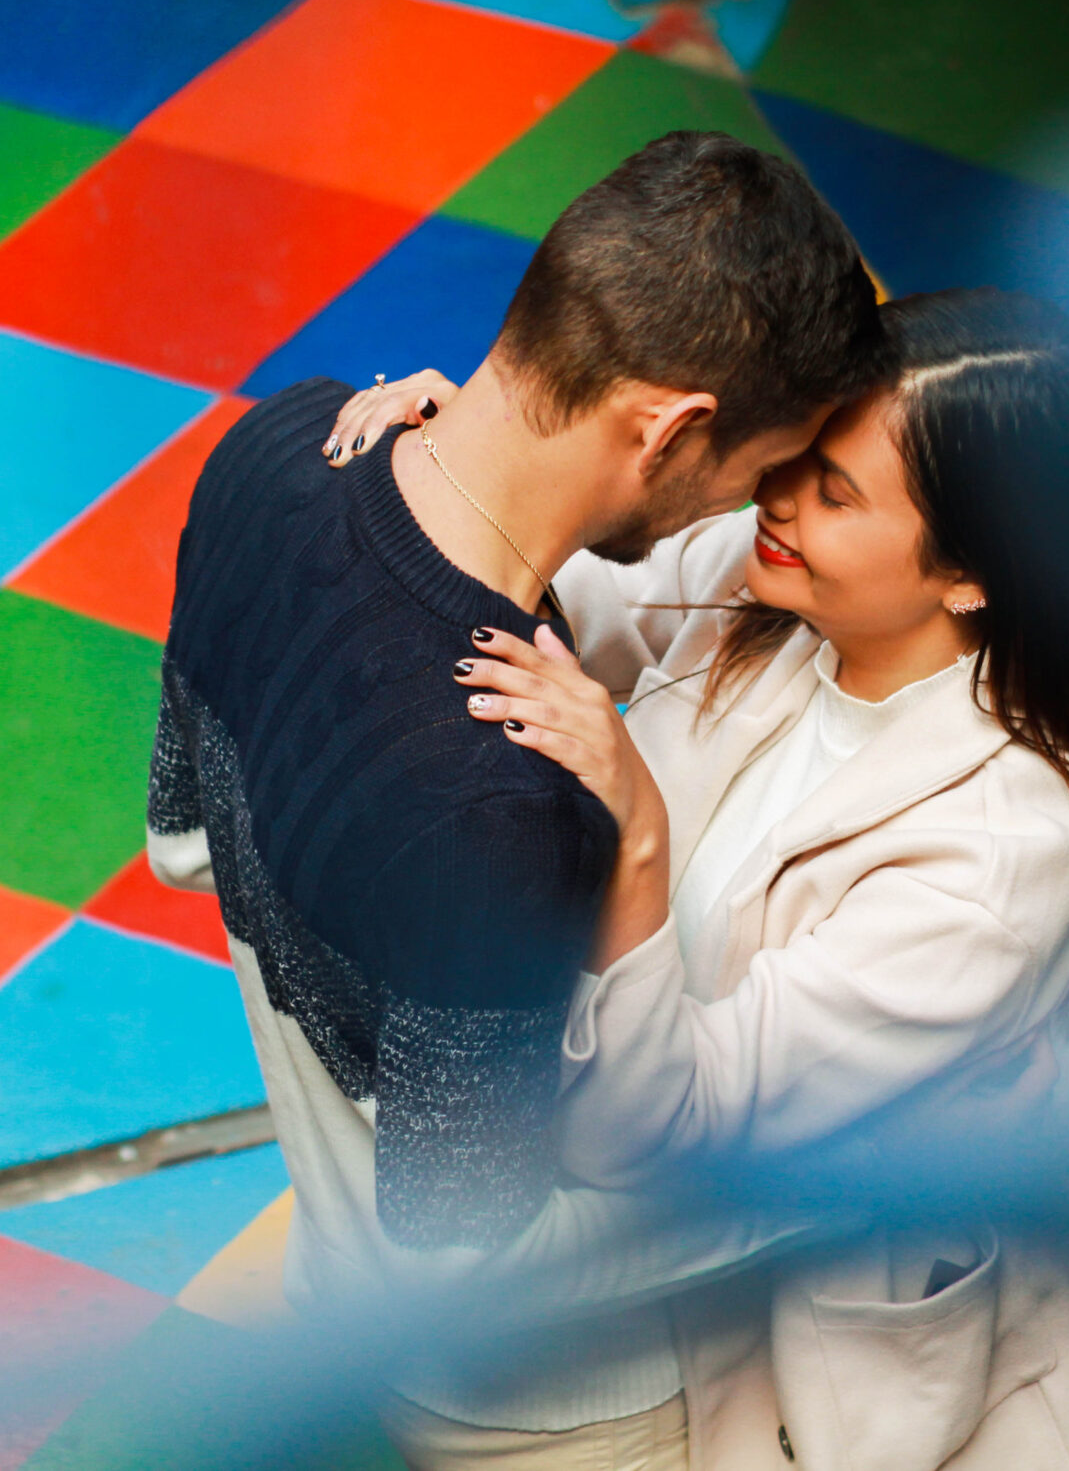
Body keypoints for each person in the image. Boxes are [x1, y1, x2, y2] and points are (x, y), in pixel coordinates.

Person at [144, 131, 890, 1469]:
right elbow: (465, 1242)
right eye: (754, 472)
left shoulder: (270, 445)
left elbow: (181, 844)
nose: (753, 510)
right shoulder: (502, 799)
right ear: (670, 426)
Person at [343, 288, 1069, 1468]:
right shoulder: (781, 577)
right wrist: (476, 476)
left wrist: (635, 836)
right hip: (705, 1288)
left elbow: (663, 1129)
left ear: (975, 575)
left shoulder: (999, 856)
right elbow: (566, 591)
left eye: (837, 495)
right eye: (800, 457)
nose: (774, 499)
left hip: (867, 1375)